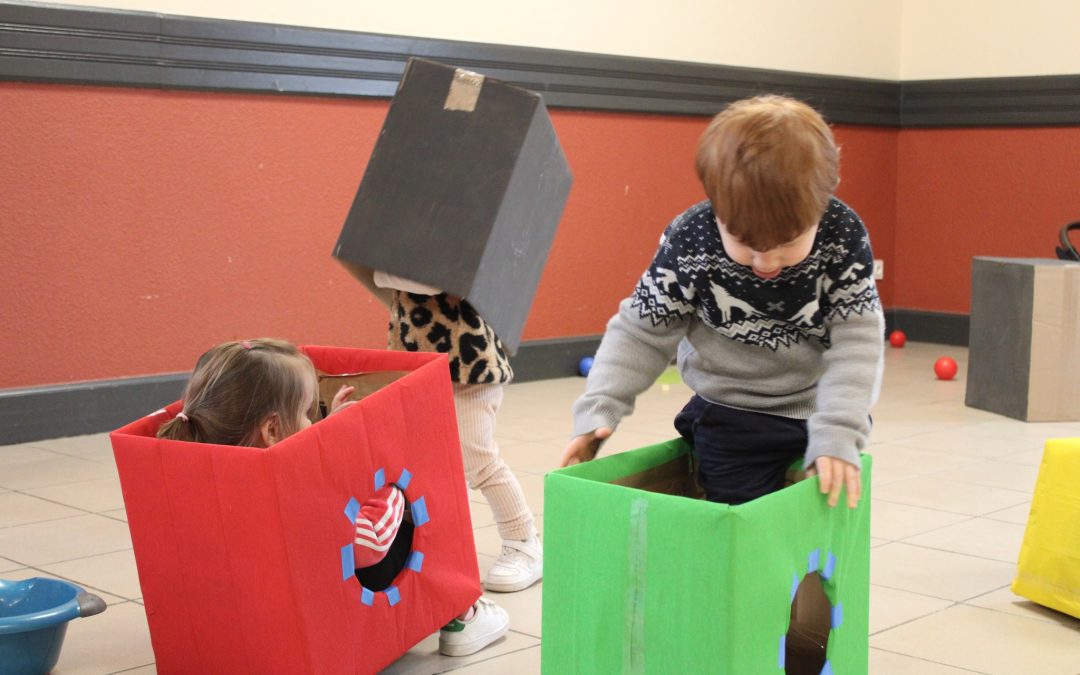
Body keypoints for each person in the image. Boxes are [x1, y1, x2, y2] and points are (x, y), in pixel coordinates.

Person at [560, 95, 884, 509]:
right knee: (738, 526)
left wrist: (839, 427)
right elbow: (641, 332)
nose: (766, 263)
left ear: (821, 208)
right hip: (732, 414)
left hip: (819, 403)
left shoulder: (842, 235)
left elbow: (858, 340)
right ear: (717, 209)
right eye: (745, 244)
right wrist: (598, 409)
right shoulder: (692, 239)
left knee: (819, 515)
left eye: (787, 244)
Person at [157, 337, 509, 657]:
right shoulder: (295, 494)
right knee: (422, 511)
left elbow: (294, 449)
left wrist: (328, 434)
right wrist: (383, 476)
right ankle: (461, 613)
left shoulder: (205, 473)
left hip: (256, 601)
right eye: (309, 413)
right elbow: (371, 543)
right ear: (273, 429)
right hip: (344, 582)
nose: (313, 420)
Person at [353, 269, 543, 593]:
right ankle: (430, 544)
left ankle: (523, 540)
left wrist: (387, 270)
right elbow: (382, 276)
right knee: (419, 460)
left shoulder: (449, 233)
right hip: (419, 361)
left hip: (468, 362)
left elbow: (432, 277)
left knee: (476, 455)